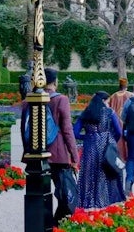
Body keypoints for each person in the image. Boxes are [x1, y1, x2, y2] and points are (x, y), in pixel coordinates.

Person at [73, 91, 125, 208]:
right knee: (105, 173)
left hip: (90, 146)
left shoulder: (86, 113)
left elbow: (75, 132)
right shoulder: (109, 112)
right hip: (105, 146)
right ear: (103, 101)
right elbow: (118, 131)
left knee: (89, 174)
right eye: (107, 101)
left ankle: (88, 202)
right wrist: (111, 141)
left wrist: (86, 137)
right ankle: (105, 199)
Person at [43, 68, 78, 224]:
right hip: (57, 154)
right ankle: (57, 222)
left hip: (37, 154)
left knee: (40, 193)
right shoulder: (61, 99)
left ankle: (42, 221)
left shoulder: (32, 98)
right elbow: (67, 130)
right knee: (64, 191)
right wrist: (75, 156)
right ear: (55, 82)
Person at [107, 78, 134, 160]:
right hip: (127, 122)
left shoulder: (113, 96)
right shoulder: (131, 95)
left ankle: (118, 157)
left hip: (116, 121)